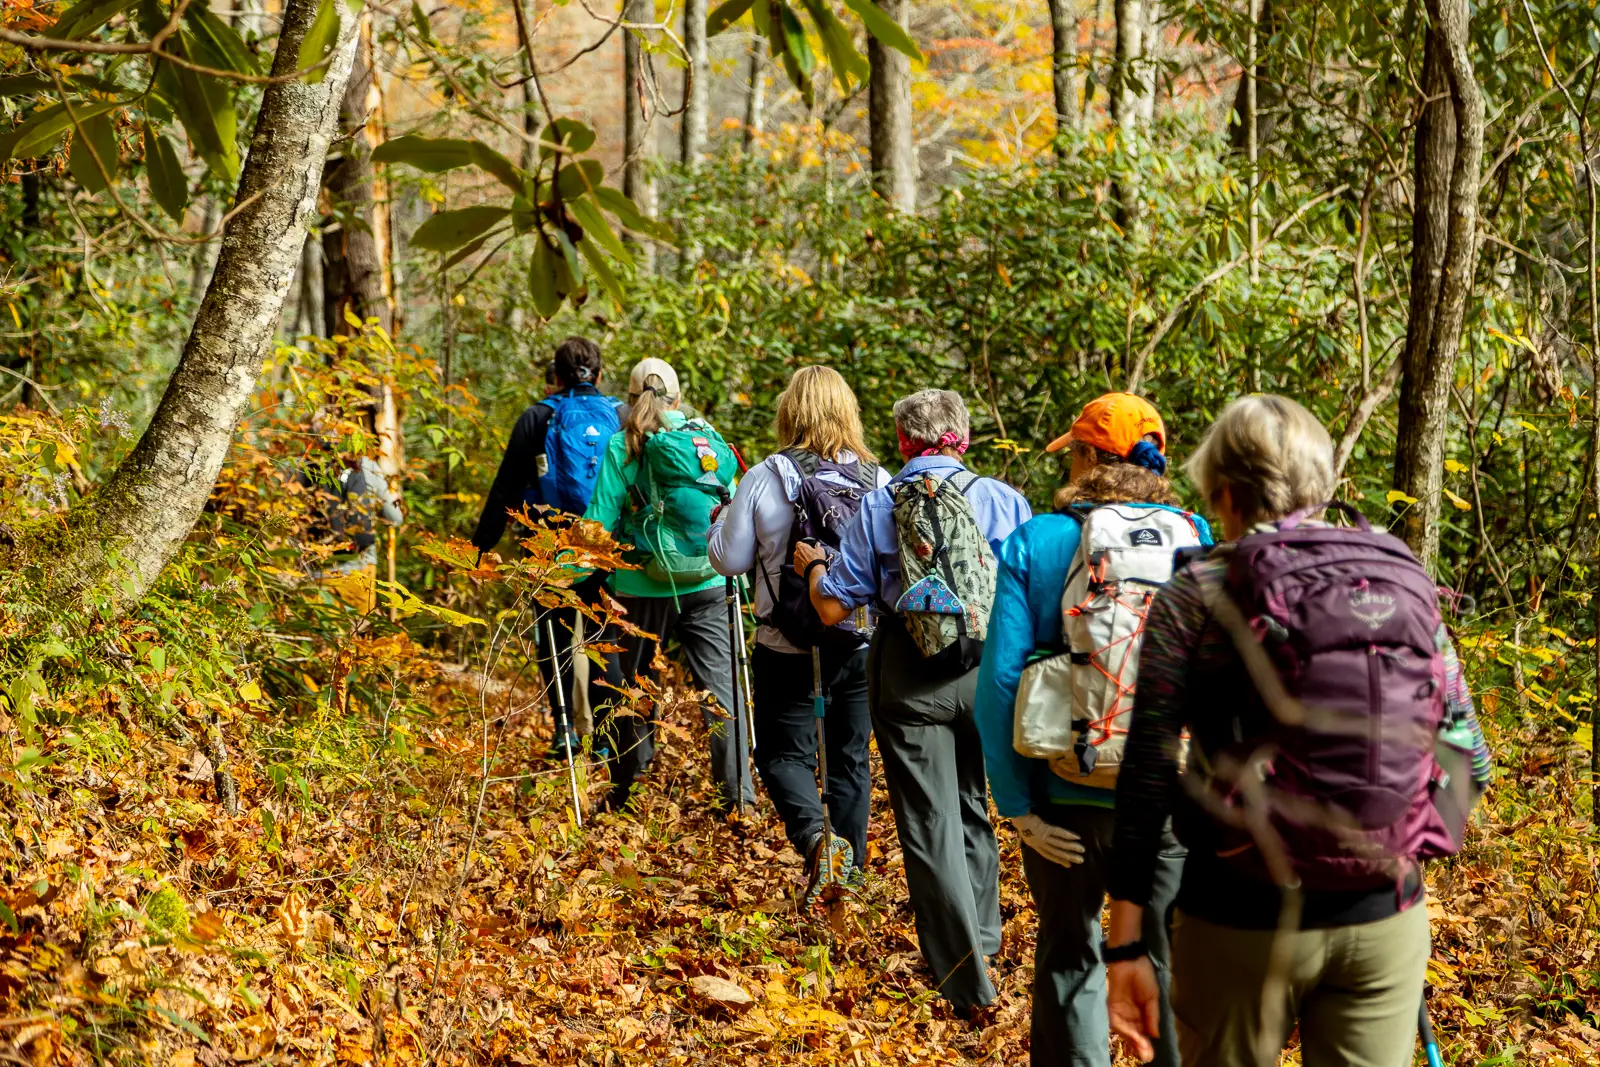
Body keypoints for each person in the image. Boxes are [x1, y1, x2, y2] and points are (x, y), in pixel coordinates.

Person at [1104, 394, 1493, 1067]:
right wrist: (1394, 848)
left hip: (1237, 916)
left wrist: (1125, 944)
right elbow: (1471, 761)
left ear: (1222, 492)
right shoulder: (1399, 578)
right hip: (1384, 917)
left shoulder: (1196, 593)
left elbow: (1146, 773)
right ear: (1323, 484)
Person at [973, 393, 1211, 1066]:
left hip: (1065, 794)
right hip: (1167, 798)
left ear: (1086, 459)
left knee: (1070, 957)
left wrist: (1017, 806)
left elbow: (998, 684)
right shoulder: (1194, 539)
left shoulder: (1040, 541)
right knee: (1161, 955)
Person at [794, 389, 1032, 1016]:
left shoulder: (879, 502)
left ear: (902, 443)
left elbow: (833, 606)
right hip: (987, 670)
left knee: (930, 823)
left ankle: (965, 980)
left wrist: (814, 566)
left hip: (908, 672)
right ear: (965, 438)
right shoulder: (1003, 499)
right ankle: (984, 941)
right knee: (973, 804)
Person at [708, 366, 889, 903]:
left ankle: (815, 841)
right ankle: (848, 879)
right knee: (851, 761)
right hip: (856, 639)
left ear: (790, 411)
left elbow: (729, 560)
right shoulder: (878, 479)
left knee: (783, 756)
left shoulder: (765, 476)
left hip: (784, 643)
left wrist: (720, 523)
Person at [584, 357, 757, 813]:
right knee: (721, 690)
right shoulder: (705, 441)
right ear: (679, 398)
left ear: (629, 398)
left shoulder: (624, 445)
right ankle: (738, 797)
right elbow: (732, 505)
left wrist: (567, 573)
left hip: (640, 584)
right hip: (708, 580)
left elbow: (598, 523)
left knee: (633, 687)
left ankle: (630, 791)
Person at [472, 337, 622, 749]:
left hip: (548, 546)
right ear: (601, 373)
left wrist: (480, 547)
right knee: (600, 636)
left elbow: (505, 486)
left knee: (552, 635)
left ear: (554, 376)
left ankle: (563, 728)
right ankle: (605, 737)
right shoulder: (620, 416)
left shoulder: (537, 417)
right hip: (603, 545)